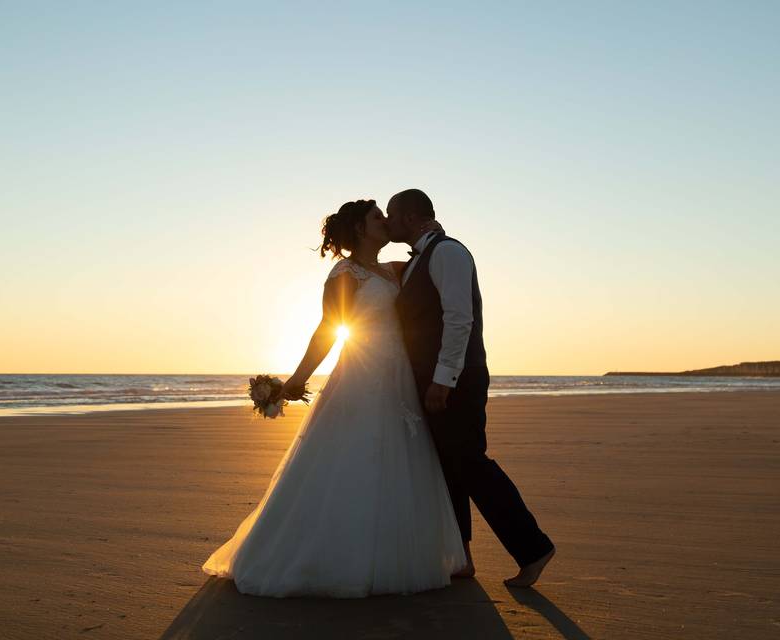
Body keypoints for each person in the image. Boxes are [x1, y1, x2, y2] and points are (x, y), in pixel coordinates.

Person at [201, 199, 465, 597]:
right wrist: (296, 379)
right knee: (353, 458)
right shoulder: (345, 275)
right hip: (362, 374)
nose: (386, 222)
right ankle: (332, 558)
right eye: (378, 218)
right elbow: (329, 329)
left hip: (400, 378)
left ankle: (390, 554)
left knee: (399, 461)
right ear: (360, 229)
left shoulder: (396, 270)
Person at [386, 188, 555, 587]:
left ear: (410, 217)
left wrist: (443, 380)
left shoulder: (448, 253)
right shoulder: (418, 260)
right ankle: (461, 556)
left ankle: (533, 548)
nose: (388, 222)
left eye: (391, 215)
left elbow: (459, 319)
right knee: (449, 468)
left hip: (455, 381)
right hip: (433, 380)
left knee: (471, 463)